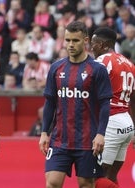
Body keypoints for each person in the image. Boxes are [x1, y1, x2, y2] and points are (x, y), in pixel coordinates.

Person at [38, 21, 113, 188]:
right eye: (68, 40)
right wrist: (44, 132)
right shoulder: (56, 68)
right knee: (52, 183)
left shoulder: (97, 70)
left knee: (86, 184)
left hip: (87, 140)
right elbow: (50, 102)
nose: (70, 45)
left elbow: (105, 105)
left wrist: (101, 134)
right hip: (59, 140)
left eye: (75, 40)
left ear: (85, 40)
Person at [91, 26, 135, 187]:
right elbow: (134, 100)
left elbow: (88, 91)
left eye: (94, 43)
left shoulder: (102, 61)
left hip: (111, 122)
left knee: (95, 178)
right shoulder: (129, 64)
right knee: (110, 176)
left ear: (103, 44)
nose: (91, 47)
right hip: (127, 123)